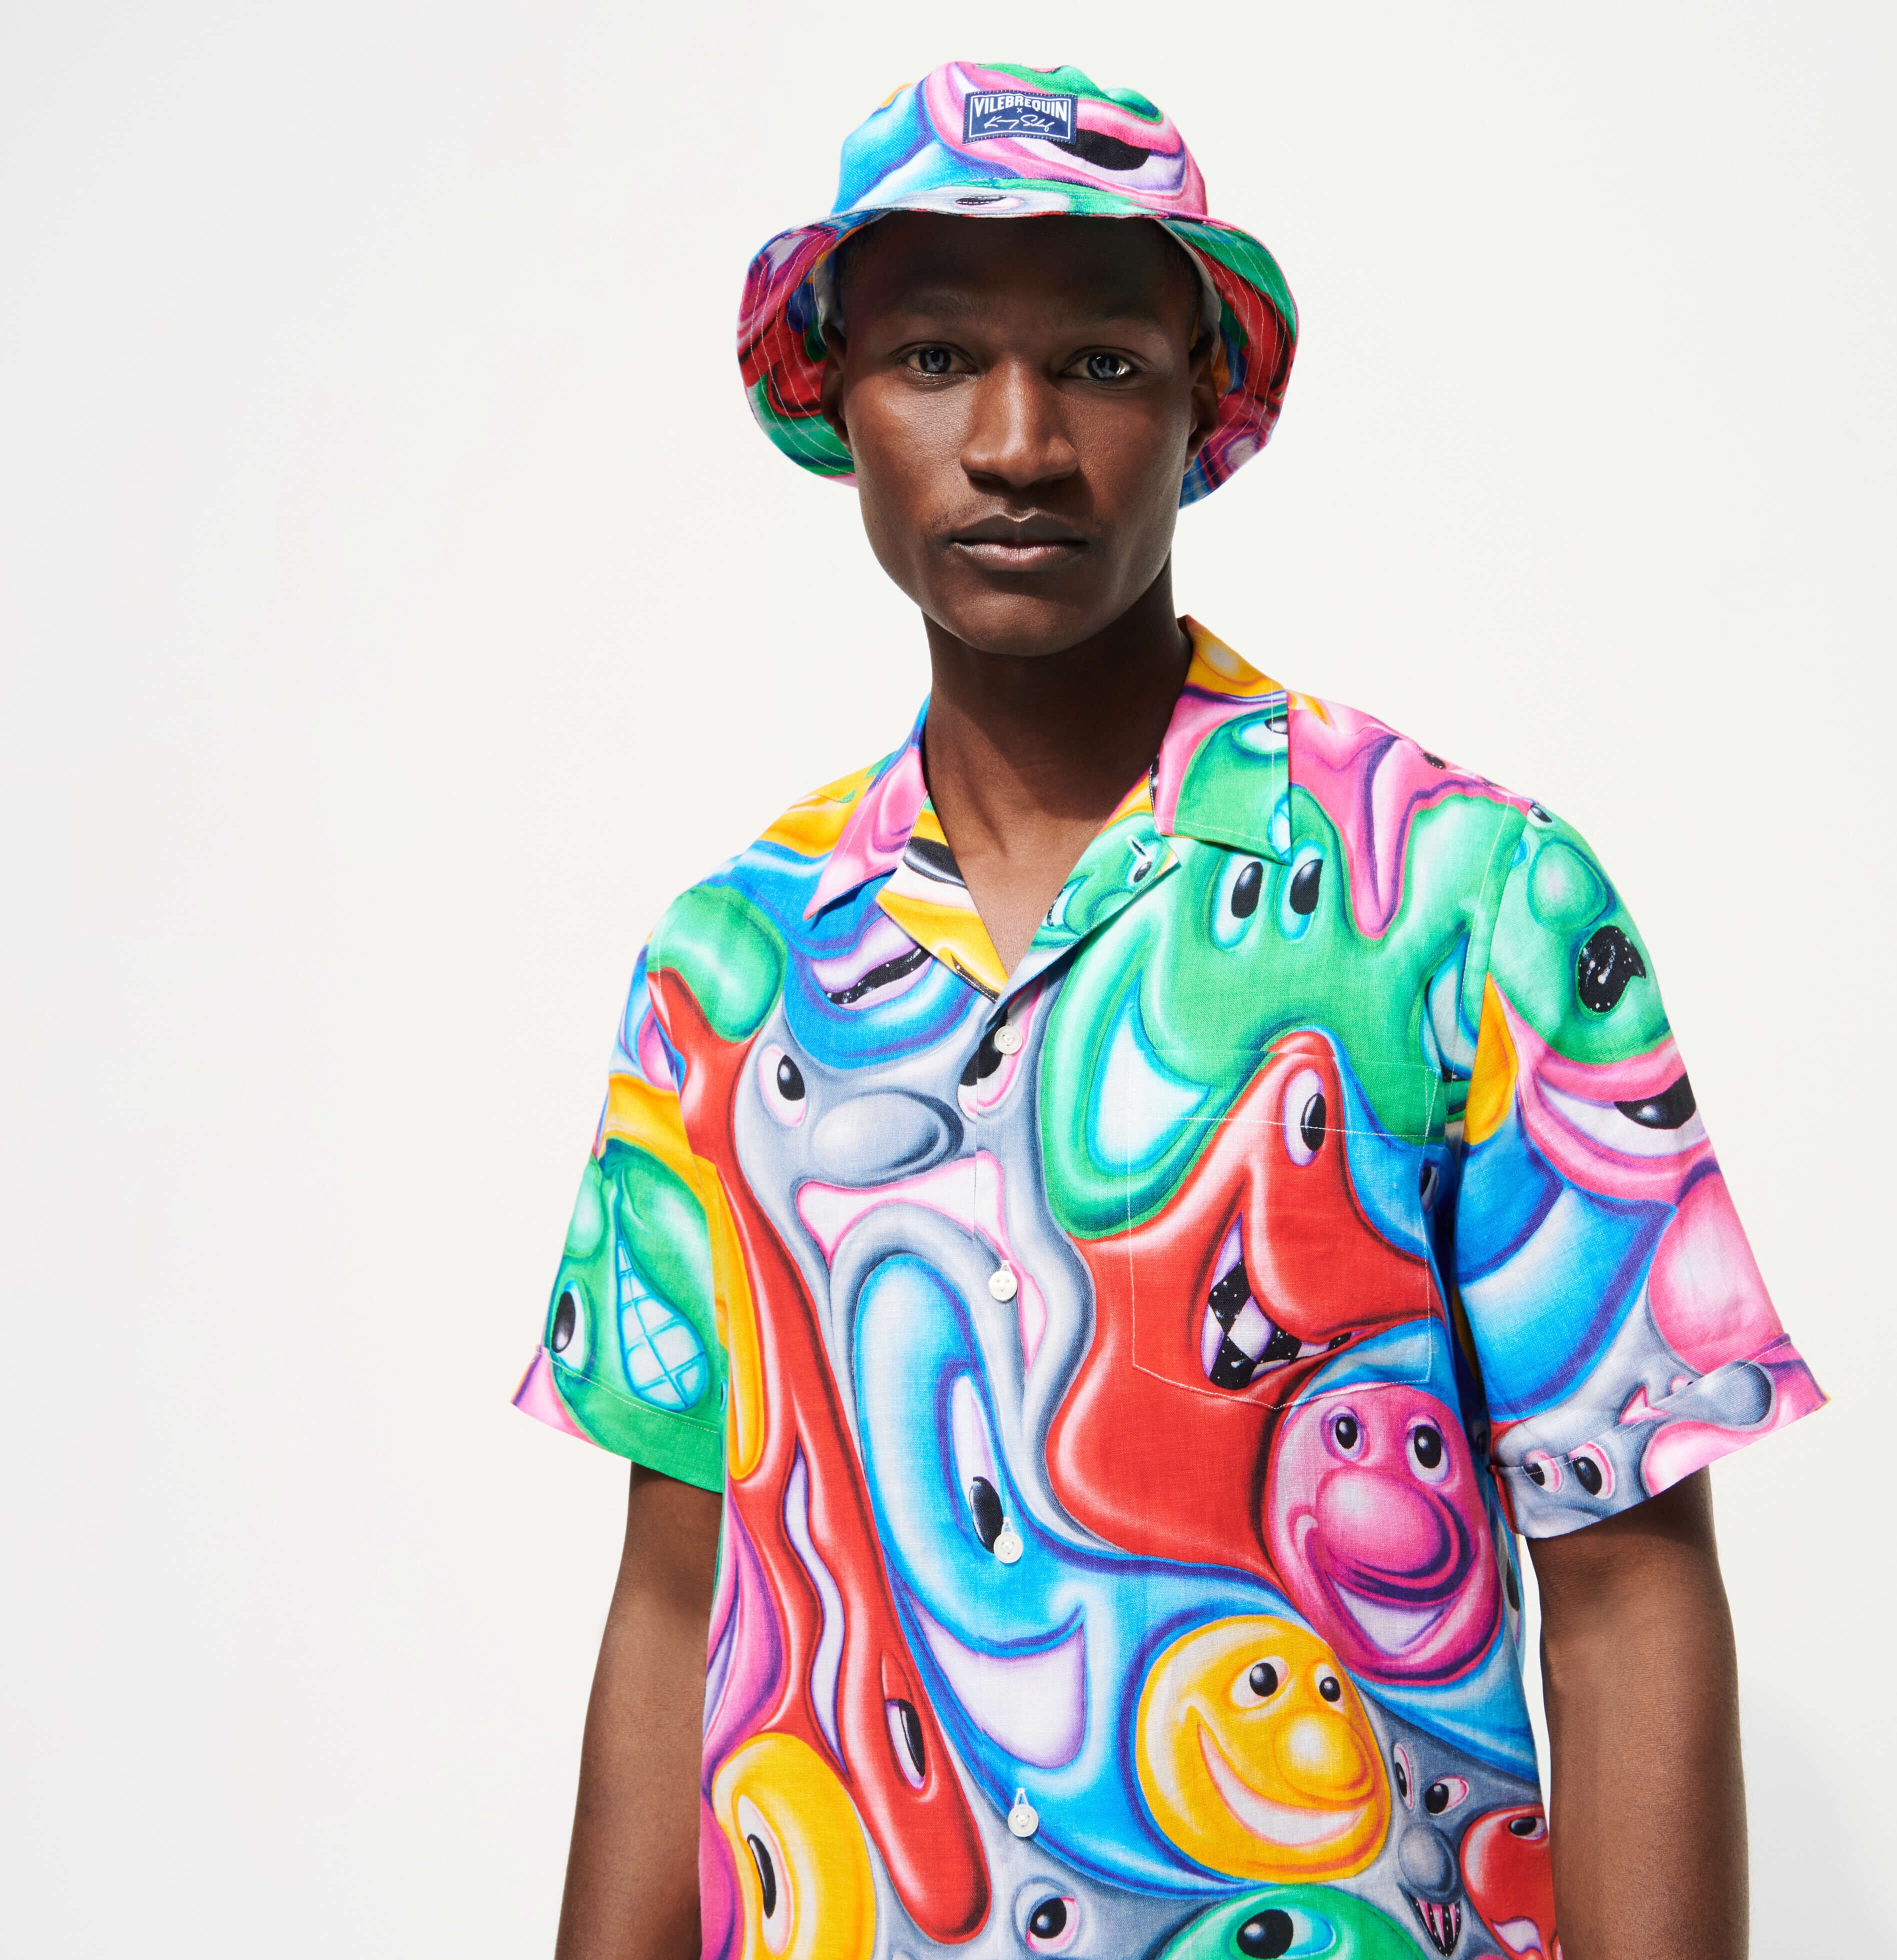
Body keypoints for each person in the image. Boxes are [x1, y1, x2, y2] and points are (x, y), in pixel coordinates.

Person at [514, 61, 1825, 1960]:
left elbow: (1628, 1593)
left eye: (1103, 365)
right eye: (937, 358)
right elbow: (674, 1600)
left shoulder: (1458, 898)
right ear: (838, 397)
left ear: (1208, 400)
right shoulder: (728, 966)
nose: (1019, 442)